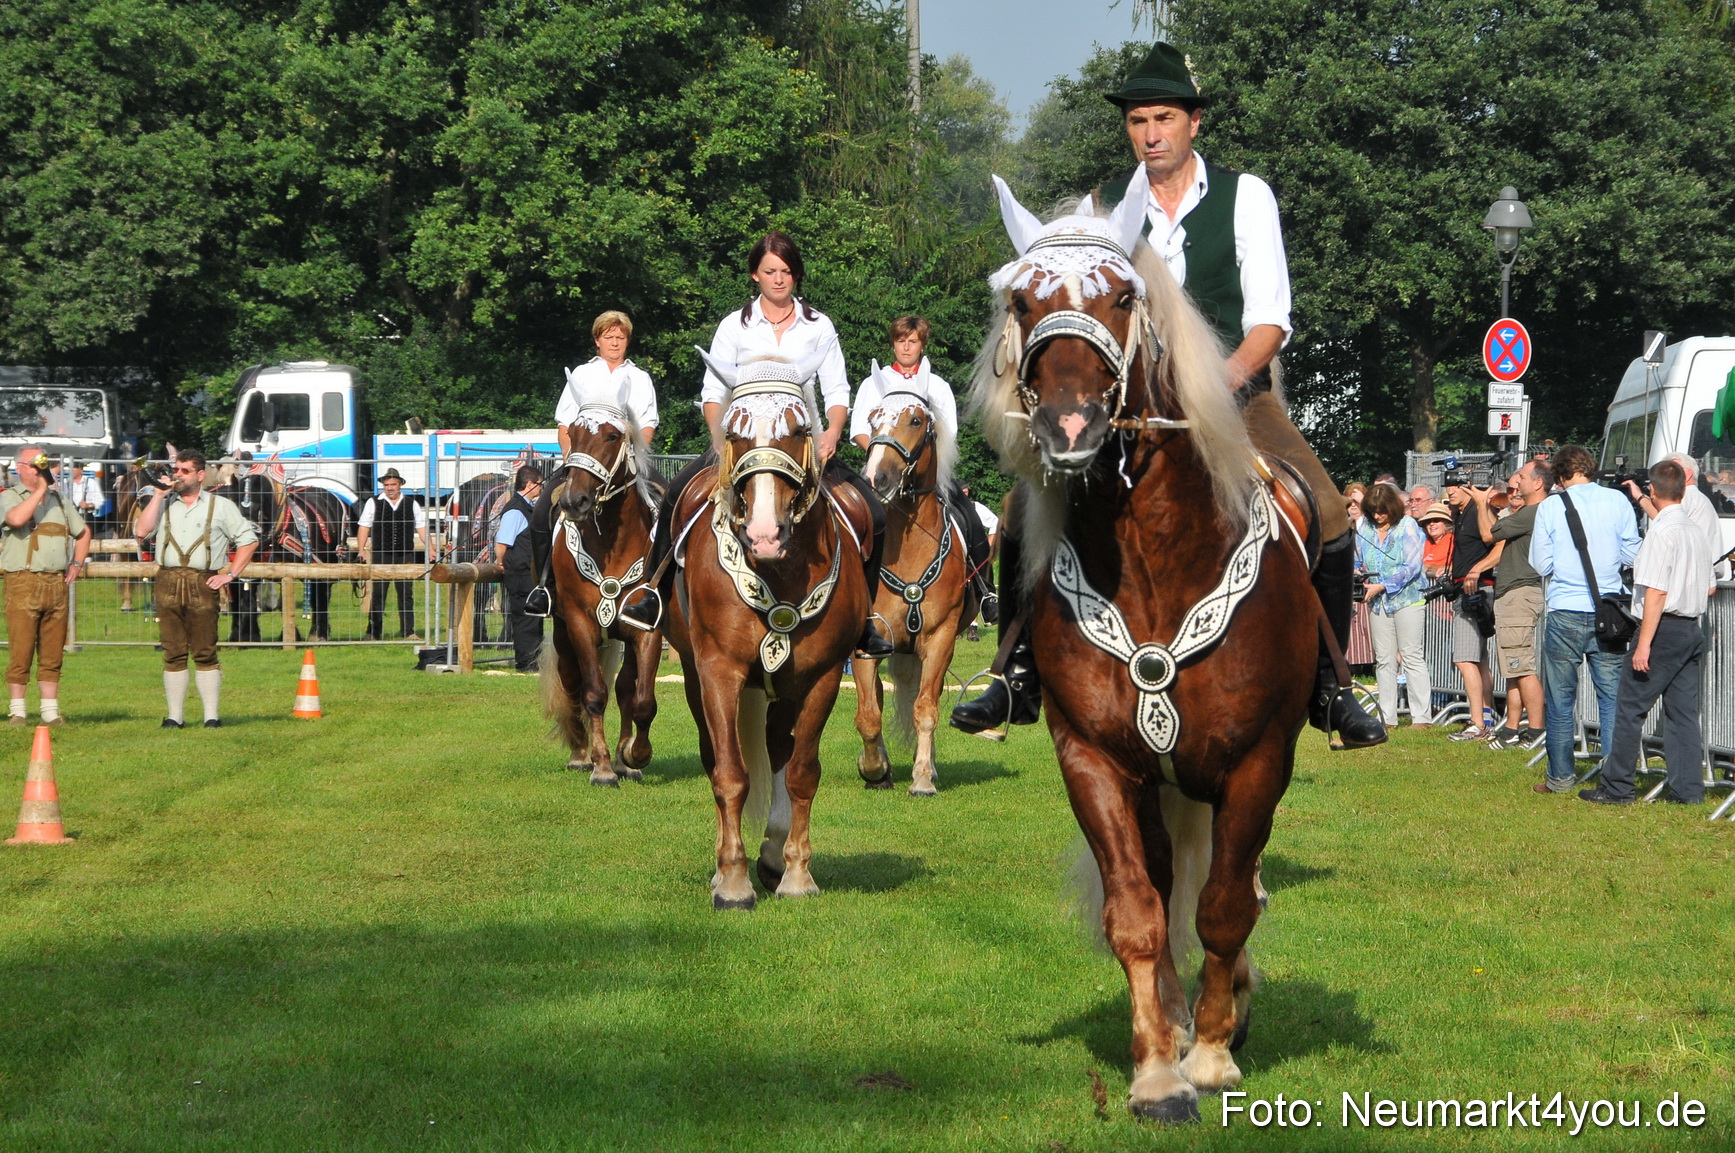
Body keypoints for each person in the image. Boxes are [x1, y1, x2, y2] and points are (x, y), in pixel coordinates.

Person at [953, 41, 1385, 748]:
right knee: (1019, 504)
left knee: (1328, 508)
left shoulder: (1246, 196)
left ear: (1193, 123)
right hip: (1125, 407)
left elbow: (1269, 320)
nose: (1149, 134)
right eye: (1136, 121)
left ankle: (1332, 687)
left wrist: (1213, 387)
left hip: (1235, 397)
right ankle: (1017, 673)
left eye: (1162, 118)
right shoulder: (1105, 215)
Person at [618, 231, 894, 659]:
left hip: (802, 447)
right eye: (770, 271)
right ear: (755, 275)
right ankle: (651, 592)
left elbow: (837, 390)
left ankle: (866, 620)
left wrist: (832, 432)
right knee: (675, 497)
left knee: (872, 513)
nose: (779, 279)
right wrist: (719, 440)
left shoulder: (820, 326)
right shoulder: (734, 325)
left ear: (796, 275)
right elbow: (713, 392)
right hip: (741, 444)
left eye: (786, 271)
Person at [1579, 459, 1714, 804]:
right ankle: (1688, 790)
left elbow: (1655, 592)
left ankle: (1618, 786)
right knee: (1683, 714)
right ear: (1684, 488)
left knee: (1630, 709)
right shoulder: (1695, 531)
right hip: (1690, 628)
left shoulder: (1660, 533)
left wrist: (1644, 645)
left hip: (1662, 628)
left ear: (1653, 490)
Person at [849, 316, 997, 612]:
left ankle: (984, 590)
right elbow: (858, 430)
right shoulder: (873, 383)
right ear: (893, 344)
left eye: (912, 341)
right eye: (901, 341)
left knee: (967, 514)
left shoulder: (937, 385)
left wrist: (912, 461)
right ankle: (849, 589)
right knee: (851, 518)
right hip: (880, 470)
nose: (906, 347)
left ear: (922, 344)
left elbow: (949, 432)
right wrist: (883, 459)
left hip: (925, 473)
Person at [525, 309, 659, 617]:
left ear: (628, 340)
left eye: (620, 337)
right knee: (543, 510)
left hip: (627, 464)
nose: (615, 342)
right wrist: (574, 461)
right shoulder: (583, 375)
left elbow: (647, 425)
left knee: (669, 508)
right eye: (609, 337)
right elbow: (565, 426)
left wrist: (635, 458)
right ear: (597, 340)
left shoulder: (639, 378)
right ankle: (544, 587)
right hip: (583, 462)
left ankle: (658, 591)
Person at [1528, 444, 1641, 793]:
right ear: (1590, 469)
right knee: (1610, 699)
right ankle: (1614, 779)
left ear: (1559, 475)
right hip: (1608, 609)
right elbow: (1632, 552)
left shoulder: (1550, 506)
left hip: (1565, 608)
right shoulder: (1618, 501)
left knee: (1561, 701)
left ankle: (1560, 777)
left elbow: (1540, 563)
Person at [133, 449, 258, 728]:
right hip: (167, 580)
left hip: (203, 581)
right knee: (172, 650)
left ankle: (211, 716)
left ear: (200, 475)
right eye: (176, 470)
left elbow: (249, 540)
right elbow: (141, 532)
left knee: (205, 650)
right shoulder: (165, 503)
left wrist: (231, 574)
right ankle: (174, 716)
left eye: (184, 471)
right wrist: (158, 495)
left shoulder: (220, 505)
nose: (177, 475)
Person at [1, 448, 92, 725]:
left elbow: (84, 532)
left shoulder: (61, 501)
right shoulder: (9, 498)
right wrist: (41, 490)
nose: (42, 469)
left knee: (53, 650)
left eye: (45, 464)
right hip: (23, 581)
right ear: (21, 467)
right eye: (36, 465)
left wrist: (76, 564)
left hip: (56, 582)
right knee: (21, 649)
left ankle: (50, 712)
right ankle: (18, 710)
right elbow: (17, 520)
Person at [1473, 462, 1551, 749]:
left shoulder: (1533, 512)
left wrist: (1481, 504)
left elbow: (1487, 534)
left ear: (1538, 483)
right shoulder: (1532, 512)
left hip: (1520, 593)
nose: (1515, 484)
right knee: (1513, 664)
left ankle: (1536, 731)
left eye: (1521, 478)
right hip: (1516, 594)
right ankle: (1512, 729)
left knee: (1522, 665)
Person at [1355, 484, 1432, 729]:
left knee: (1411, 656)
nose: (1377, 516)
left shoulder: (1407, 526)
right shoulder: (1363, 527)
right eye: (1372, 512)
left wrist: (1383, 585)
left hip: (1408, 599)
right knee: (1384, 659)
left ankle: (1421, 717)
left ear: (1392, 509)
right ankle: (1386, 717)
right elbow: (1357, 558)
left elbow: (1412, 567)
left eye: (1381, 512)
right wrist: (1357, 571)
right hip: (1378, 603)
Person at [1443, 476, 1497, 740]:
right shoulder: (1463, 512)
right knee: (1480, 660)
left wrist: (1476, 570)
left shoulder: (1479, 511)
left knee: (1464, 660)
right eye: (1448, 485)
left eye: (1458, 485)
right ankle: (1486, 718)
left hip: (1475, 590)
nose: (1451, 490)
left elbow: (1498, 544)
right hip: (1471, 589)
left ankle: (1477, 724)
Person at [356, 468, 426, 641]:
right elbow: (364, 527)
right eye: (386, 485)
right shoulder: (373, 502)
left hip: (405, 554)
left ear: (400, 485)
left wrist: (431, 548)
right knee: (378, 593)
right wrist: (361, 550)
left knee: (406, 593)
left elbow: (422, 528)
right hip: (381, 554)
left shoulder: (412, 504)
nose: (389, 488)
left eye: (393, 484)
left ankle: (408, 632)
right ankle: (373, 631)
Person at [492, 465, 545, 672]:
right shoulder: (515, 510)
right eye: (539, 484)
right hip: (520, 573)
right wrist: (500, 561)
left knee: (533, 618)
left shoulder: (525, 507)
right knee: (524, 620)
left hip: (528, 573)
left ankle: (533, 661)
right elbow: (502, 542)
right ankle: (526, 663)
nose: (541, 488)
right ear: (530, 484)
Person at [1418, 501, 1454, 577]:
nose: (1431, 524)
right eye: (1428, 521)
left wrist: (1431, 567)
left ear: (1446, 524)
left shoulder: (1453, 541)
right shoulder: (1425, 542)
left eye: (1436, 520)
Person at [72, 464, 107, 535]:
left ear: (81, 470)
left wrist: (88, 505)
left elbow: (100, 500)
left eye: (73, 469)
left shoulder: (91, 483)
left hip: (86, 517)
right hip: (70, 517)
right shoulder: (65, 483)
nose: (71, 471)